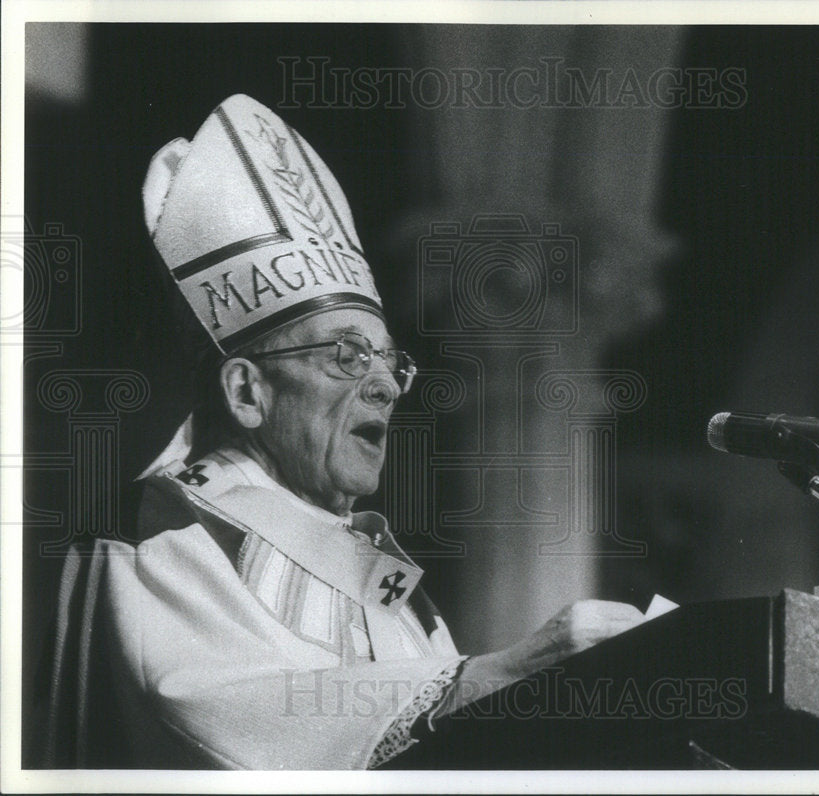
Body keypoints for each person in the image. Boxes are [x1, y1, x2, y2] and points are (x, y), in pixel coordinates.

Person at [37, 94, 645, 770]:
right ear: (246, 391)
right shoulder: (158, 529)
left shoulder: (386, 581)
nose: (384, 384)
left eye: (390, 361)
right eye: (346, 357)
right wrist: (491, 675)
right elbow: (205, 710)